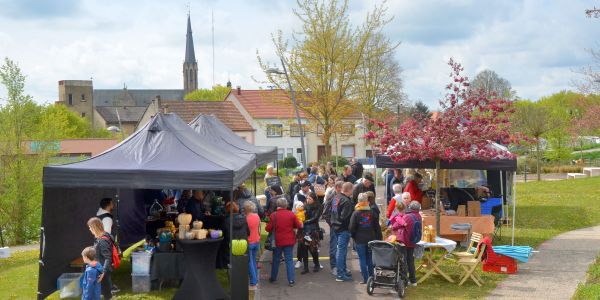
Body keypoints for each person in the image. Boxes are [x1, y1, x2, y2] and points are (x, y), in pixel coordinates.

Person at [267, 197, 303, 287]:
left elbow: (268, 228)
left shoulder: (273, 215)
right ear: (286, 205)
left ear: (277, 205)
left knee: (276, 260)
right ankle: (291, 280)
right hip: (289, 240)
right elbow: (299, 225)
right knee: (289, 260)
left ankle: (273, 278)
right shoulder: (291, 214)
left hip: (277, 241)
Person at [349, 193, 382, 284]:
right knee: (369, 259)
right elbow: (377, 227)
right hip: (371, 238)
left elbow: (351, 228)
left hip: (359, 239)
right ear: (367, 201)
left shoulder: (355, 213)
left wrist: (353, 236)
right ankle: (371, 277)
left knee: (362, 259)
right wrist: (378, 238)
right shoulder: (372, 212)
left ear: (358, 201)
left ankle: (365, 279)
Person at [390, 201, 422, 287]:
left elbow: (394, 226)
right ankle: (413, 280)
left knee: (403, 261)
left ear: (410, 208)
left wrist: (398, 221)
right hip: (413, 241)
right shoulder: (419, 216)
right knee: (411, 261)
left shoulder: (407, 216)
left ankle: (405, 281)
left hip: (404, 241)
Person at [331, 182, 354, 282]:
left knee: (341, 251)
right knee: (341, 251)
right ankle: (340, 274)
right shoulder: (347, 201)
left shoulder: (336, 197)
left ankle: (343, 270)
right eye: (352, 190)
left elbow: (332, 212)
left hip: (335, 227)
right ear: (349, 190)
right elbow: (344, 217)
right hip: (343, 228)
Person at [87, 217, 113, 300]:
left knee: (106, 294)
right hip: (99, 269)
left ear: (94, 227)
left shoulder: (102, 240)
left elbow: (108, 258)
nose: (89, 229)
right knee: (103, 292)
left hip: (102, 271)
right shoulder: (102, 236)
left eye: (90, 227)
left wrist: (103, 273)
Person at [322, 180, 343, 275]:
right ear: (338, 188)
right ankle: (333, 266)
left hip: (342, 226)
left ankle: (341, 266)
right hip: (335, 226)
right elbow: (325, 213)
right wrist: (332, 224)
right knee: (334, 246)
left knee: (342, 247)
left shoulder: (341, 196)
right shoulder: (332, 197)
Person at [299, 192, 322, 274]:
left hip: (313, 230)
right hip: (304, 230)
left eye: (310, 199)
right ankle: (305, 267)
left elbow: (315, 218)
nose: (308, 200)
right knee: (304, 249)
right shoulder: (305, 205)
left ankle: (317, 264)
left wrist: (304, 222)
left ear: (314, 199)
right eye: (307, 198)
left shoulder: (318, 206)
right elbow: (300, 215)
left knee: (313, 249)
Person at [245, 201, 261, 290]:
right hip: (257, 240)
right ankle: (255, 280)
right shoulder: (257, 216)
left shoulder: (245, 218)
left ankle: (253, 282)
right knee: (253, 261)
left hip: (250, 241)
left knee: (250, 262)